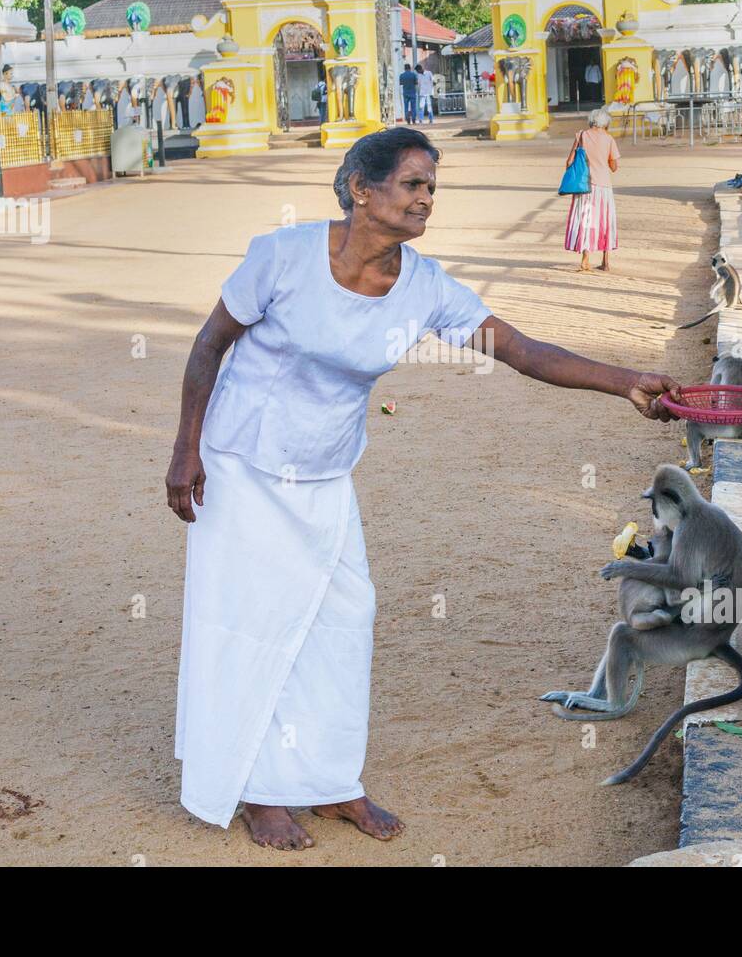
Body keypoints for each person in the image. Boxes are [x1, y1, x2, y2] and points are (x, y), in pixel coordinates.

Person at [166, 127, 679, 851]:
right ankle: (258, 790)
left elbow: (523, 351)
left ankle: (330, 779)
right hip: (244, 460)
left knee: (345, 618)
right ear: (360, 189)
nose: (425, 199)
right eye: (412, 184)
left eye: (432, 187)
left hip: (323, 471)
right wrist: (186, 446)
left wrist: (624, 380)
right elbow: (210, 343)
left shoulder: (424, 287)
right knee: (256, 619)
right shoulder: (282, 257)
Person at [564, 107, 620, 272]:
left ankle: (585, 260)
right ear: (606, 123)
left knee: (586, 221)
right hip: (604, 187)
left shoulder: (581, 135)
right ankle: (606, 262)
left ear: (591, 121)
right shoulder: (609, 139)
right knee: (605, 221)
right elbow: (614, 167)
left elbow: (569, 162)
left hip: (585, 186)